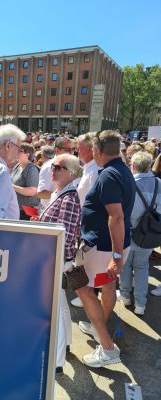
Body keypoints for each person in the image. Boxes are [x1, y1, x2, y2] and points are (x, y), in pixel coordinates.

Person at [76, 130, 135, 368]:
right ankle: (98, 325)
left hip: (102, 248)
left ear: (98, 151)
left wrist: (116, 256)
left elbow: (116, 218)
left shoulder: (109, 174)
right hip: (109, 247)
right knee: (107, 285)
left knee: (82, 288)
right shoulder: (122, 169)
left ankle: (108, 348)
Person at [33, 154, 82, 374]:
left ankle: (57, 360)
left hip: (57, 259)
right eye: (52, 166)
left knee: (53, 310)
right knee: (61, 305)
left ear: (70, 173)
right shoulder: (59, 193)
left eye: (58, 167)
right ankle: (66, 346)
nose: (52, 170)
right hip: (54, 257)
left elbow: (67, 235)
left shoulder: (69, 198)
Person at [119, 152, 161, 312]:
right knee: (143, 267)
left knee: (126, 266)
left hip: (129, 233)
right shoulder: (159, 183)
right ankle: (141, 304)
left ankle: (125, 297)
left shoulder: (128, 184)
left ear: (133, 166)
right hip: (149, 234)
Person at [71, 132, 100, 308]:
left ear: (89, 149)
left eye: (78, 147)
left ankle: (89, 298)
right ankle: (87, 296)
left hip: (89, 225)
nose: (76, 151)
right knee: (85, 262)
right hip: (84, 223)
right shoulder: (89, 168)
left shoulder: (94, 170)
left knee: (89, 264)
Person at [37, 137, 75, 210]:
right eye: (67, 150)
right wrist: (63, 196)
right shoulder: (48, 167)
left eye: (73, 149)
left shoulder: (73, 165)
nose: (71, 152)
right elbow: (40, 193)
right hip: (50, 211)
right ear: (57, 150)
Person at [11, 143, 39, 220]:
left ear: (27, 155)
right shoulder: (17, 166)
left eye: (19, 150)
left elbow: (32, 191)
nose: (16, 152)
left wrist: (11, 186)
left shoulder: (31, 169)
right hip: (17, 209)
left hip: (28, 211)